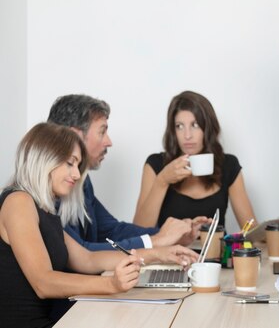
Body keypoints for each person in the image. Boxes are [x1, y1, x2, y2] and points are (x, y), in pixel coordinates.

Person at [0, 123, 198, 328]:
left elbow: (88, 259)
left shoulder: (43, 209)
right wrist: (111, 284)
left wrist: (159, 253)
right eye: (70, 163)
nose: (77, 175)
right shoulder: (18, 202)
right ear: (44, 159)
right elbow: (44, 282)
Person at [47, 94, 207, 251]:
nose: (109, 142)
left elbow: (112, 231)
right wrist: (157, 240)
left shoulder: (83, 181)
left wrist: (172, 234)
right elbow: (81, 255)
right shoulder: (51, 188)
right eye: (102, 132)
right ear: (75, 136)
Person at [133, 90, 256, 229]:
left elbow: (250, 228)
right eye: (179, 126)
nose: (187, 135)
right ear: (173, 131)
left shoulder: (228, 165)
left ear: (208, 128)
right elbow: (138, 231)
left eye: (195, 125)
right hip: (170, 251)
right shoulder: (156, 165)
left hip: (216, 250)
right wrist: (162, 181)